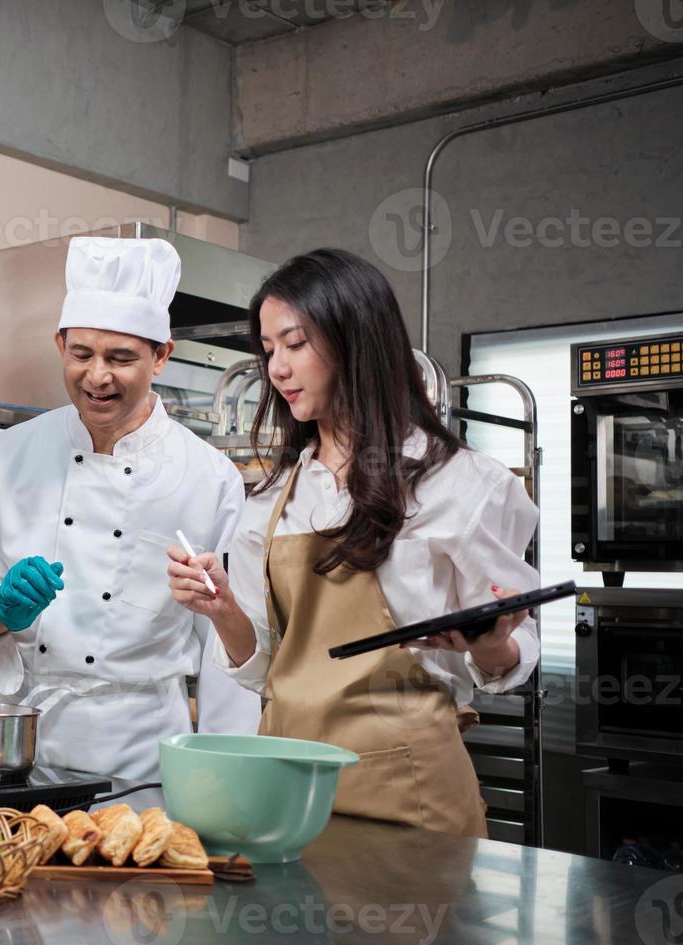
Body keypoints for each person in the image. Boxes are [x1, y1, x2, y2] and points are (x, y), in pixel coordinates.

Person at [169, 247, 539, 837]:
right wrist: (222, 609)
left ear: (356, 341)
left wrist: (491, 644)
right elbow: (265, 667)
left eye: (295, 344)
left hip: (408, 793)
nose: (277, 369)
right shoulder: (271, 500)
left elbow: (513, 650)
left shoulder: (458, 482)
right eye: (268, 351)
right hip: (286, 789)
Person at [0, 237, 261, 787]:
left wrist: (222, 781)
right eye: (82, 355)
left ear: (161, 356)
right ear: (60, 345)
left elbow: (223, 640)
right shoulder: (12, 453)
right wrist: (0, 612)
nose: (98, 377)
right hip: (21, 744)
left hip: (143, 757)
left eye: (121, 359)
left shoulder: (208, 476)